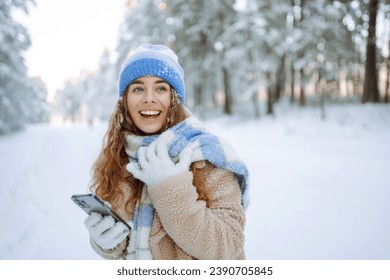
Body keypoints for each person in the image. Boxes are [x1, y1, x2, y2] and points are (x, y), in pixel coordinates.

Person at [84, 43, 249, 260]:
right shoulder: (121, 159)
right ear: (125, 101)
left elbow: (228, 246)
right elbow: (127, 247)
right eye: (138, 88)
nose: (149, 98)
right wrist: (107, 240)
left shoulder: (207, 154)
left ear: (174, 98)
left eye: (161, 88)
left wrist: (169, 186)